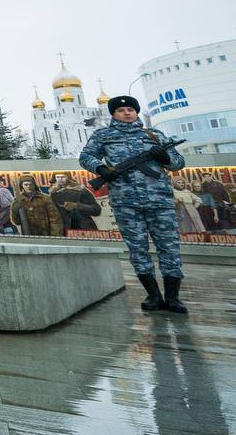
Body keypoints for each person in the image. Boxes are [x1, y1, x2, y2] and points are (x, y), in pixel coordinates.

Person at [80, 95, 187, 314]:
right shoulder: (103, 135)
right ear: (113, 114)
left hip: (160, 202)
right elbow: (86, 156)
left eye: (131, 109)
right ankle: (153, 296)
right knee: (138, 250)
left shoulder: (154, 135)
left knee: (170, 248)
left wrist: (164, 158)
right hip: (126, 203)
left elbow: (178, 163)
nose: (127, 113)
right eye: (121, 110)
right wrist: (102, 169)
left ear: (136, 112)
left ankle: (173, 298)